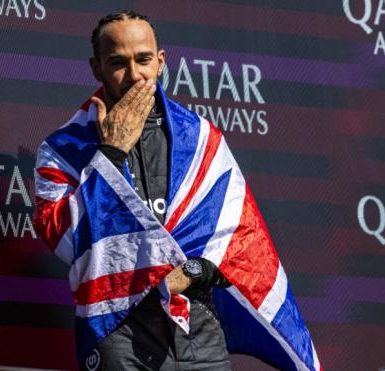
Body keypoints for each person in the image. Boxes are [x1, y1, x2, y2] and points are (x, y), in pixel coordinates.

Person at [34, 10, 320, 371]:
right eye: (118, 63)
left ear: (161, 61)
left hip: (197, 328)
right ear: (96, 68)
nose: (135, 75)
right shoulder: (64, 148)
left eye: (144, 60)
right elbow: (65, 241)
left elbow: (241, 246)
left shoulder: (200, 140)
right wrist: (110, 154)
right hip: (117, 330)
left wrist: (196, 270)